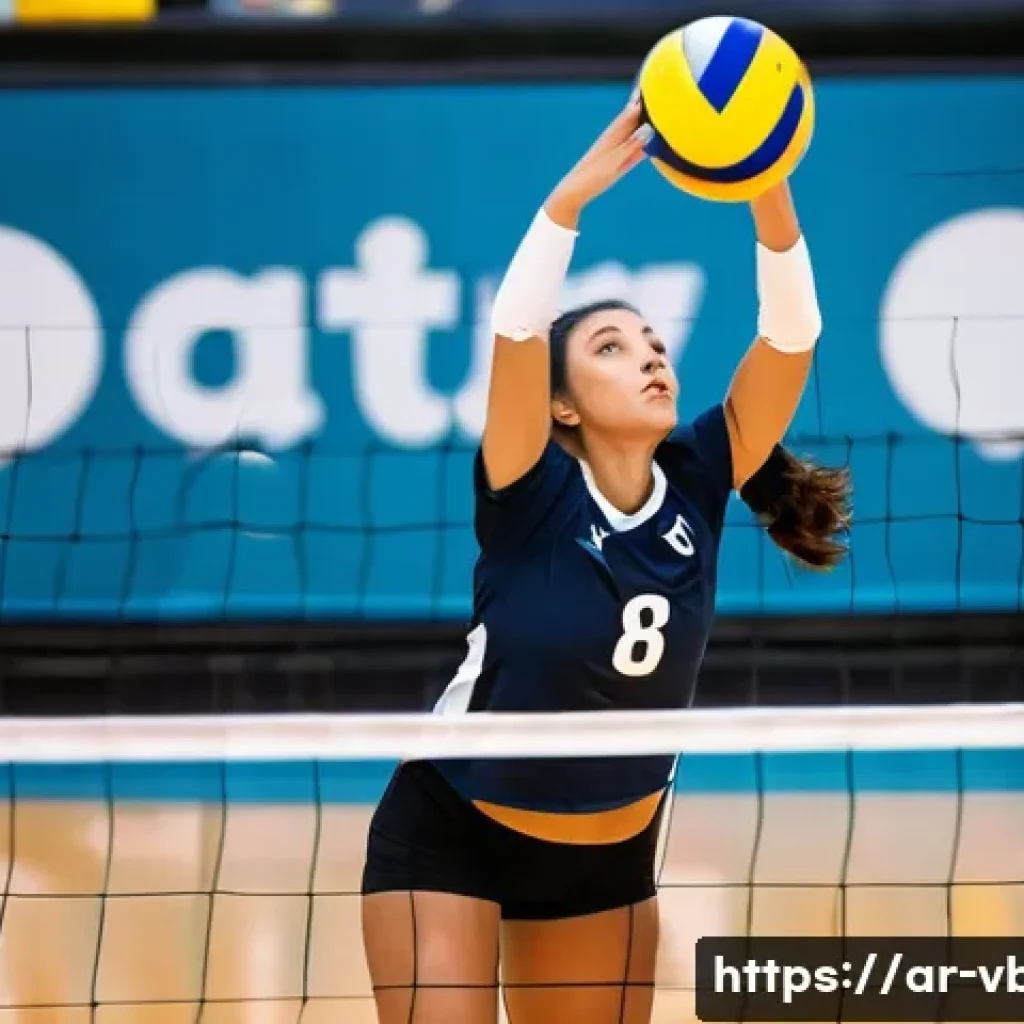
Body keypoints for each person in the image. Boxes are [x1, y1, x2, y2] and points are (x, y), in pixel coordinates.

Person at [360, 100, 851, 1024]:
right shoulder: (527, 488)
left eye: (656, 345)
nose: (651, 358)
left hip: (606, 863)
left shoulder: (702, 479)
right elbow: (514, 334)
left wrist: (765, 180)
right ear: (563, 409)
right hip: (451, 829)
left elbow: (791, 337)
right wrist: (566, 206)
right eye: (612, 348)